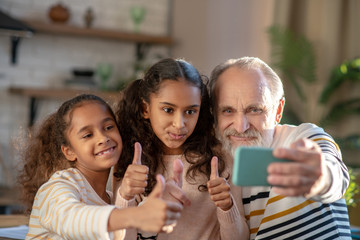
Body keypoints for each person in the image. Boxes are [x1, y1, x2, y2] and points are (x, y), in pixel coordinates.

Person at [209, 56, 352, 239]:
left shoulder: (304, 137)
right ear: (215, 114)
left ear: (277, 111)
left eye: (255, 110)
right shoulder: (216, 165)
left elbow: (336, 176)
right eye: (228, 111)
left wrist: (318, 176)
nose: (240, 127)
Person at [113, 58, 249, 240]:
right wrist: (126, 196)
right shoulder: (130, 159)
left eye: (190, 111)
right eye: (168, 110)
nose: (180, 124)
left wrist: (227, 207)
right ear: (146, 108)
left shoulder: (219, 158)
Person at [18, 94, 183, 240]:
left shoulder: (111, 202)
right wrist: (135, 215)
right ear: (69, 152)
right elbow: (70, 219)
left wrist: (160, 205)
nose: (103, 138)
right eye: (88, 135)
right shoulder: (57, 188)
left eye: (109, 127)